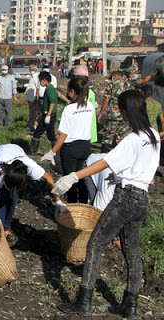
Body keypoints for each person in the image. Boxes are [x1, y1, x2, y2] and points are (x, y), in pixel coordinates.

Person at [54, 90, 160, 319]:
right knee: (132, 251)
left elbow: (103, 162)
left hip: (125, 199)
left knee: (94, 245)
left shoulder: (132, 138)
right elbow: (144, 171)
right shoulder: (153, 135)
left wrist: (74, 176)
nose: (119, 114)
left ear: (126, 110)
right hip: (142, 199)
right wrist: (121, 177)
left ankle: (84, 302)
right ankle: (129, 306)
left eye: (120, 109)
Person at [0, 144, 65, 242]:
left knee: (13, 198)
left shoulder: (30, 166)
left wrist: (58, 201)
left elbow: (49, 179)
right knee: (3, 196)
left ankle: (5, 228)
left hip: (15, 156)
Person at [41, 77, 94, 203]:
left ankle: (71, 209)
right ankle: (83, 209)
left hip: (70, 148)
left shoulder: (69, 109)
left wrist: (52, 152)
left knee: (69, 182)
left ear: (73, 91)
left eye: (69, 90)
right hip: (86, 147)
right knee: (82, 179)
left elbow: (64, 134)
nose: (68, 92)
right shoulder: (90, 106)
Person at [98, 70, 134, 152]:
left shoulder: (112, 85)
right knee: (122, 137)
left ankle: (103, 156)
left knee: (107, 137)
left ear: (115, 76)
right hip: (125, 116)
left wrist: (101, 113)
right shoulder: (129, 85)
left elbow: (106, 100)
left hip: (113, 115)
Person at [30, 72, 58, 155]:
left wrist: (48, 115)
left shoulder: (50, 89)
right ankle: (56, 151)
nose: (40, 82)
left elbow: (52, 103)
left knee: (37, 133)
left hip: (49, 115)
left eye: (40, 80)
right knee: (51, 135)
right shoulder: (49, 88)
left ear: (44, 80)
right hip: (49, 115)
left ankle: (33, 151)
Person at [25, 64, 40, 130]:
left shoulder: (36, 77)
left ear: (35, 70)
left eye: (32, 69)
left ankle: (31, 125)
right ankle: (31, 124)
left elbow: (38, 87)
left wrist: (36, 96)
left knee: (33, 112)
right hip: (30, 97)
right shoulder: (32, 77)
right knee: (31, 111)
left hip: (33, 97)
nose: (31, 71)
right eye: (30, 69)